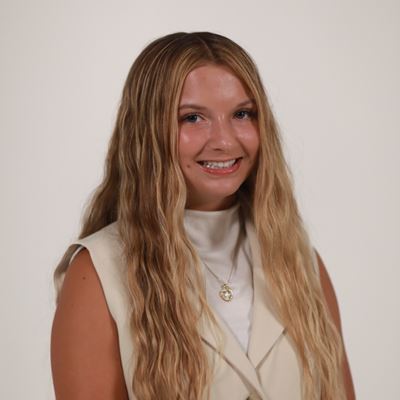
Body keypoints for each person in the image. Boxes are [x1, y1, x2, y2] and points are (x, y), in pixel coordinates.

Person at [50, 32, 355, 400]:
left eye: (242, 114)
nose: (225, 141)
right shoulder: (98, 273)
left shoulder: (300, 262)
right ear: (148, 131)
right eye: (192, 118)